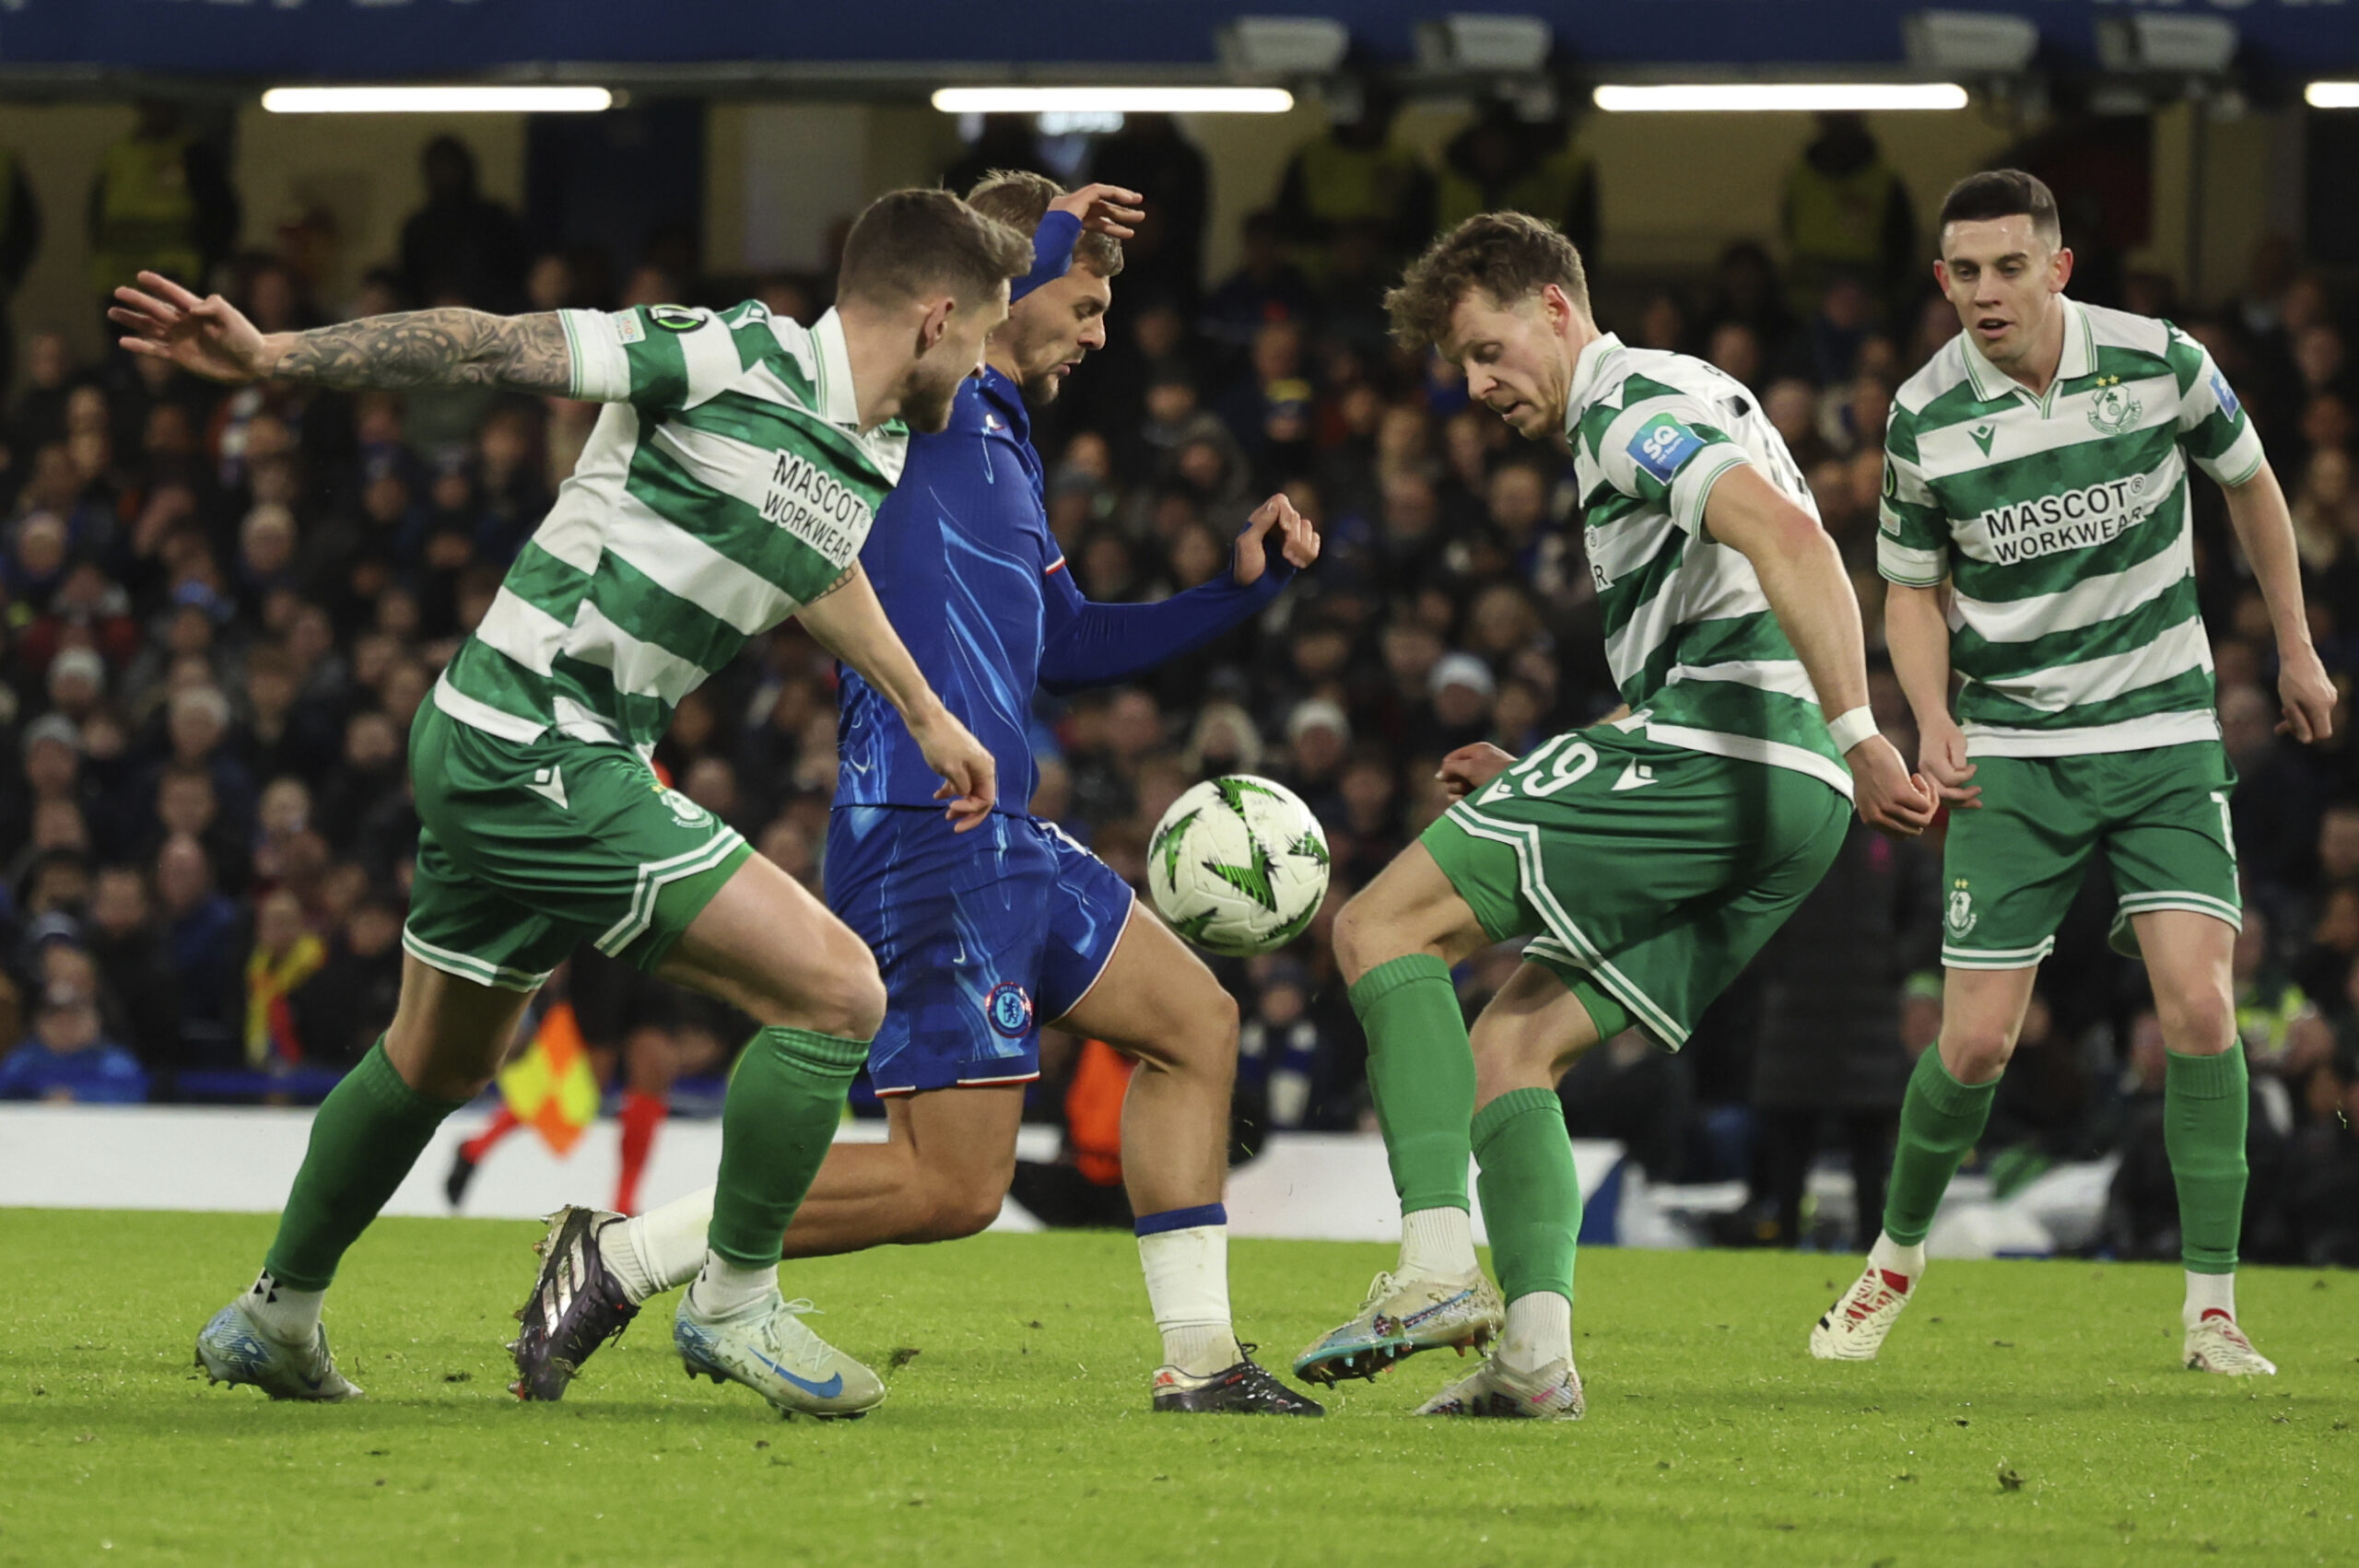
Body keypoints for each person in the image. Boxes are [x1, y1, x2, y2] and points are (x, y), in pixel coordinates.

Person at [111, 185, 1029, 1417]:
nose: (982, 369)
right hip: (539, 737)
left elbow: (816, 557)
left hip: (527, 741)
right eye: (981, 339)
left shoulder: (869, 442)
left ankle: (276, 1315)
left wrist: (923, 708)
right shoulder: (723, 350)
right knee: (835, 989)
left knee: (438, 1056)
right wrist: (279, 355)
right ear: (936, 317)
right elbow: (495, 340)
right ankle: (730, 1303)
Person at [509, 173, 1326, 1416]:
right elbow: (963, 293)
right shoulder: (919, 402)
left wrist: (1239, 591)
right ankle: (623, 1256)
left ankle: (1201, 1361)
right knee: (952, 1189)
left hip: (1009, 830)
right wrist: (1053, 215)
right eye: (1086, 297)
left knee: (1197, 1026)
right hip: (922, 825)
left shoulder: (999, 429)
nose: (1099, 329)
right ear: (994, 291)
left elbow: (1069, 639)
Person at [1288, 211, 1934, 1420]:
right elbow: (1728, 591)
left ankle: (1432, 1267)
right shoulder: (1680, 395)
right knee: (1509, 1051)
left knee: (1379, 929)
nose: (1477, 387)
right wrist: (1563, 766)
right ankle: (1534, 1358)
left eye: (1487, 351)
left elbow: (1793, 539)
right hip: (1779, 799)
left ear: (1553, 306)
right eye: (1461, 369)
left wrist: (1864, 729)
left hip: (1729, 751)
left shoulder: (1627, 406)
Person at [1816, 170, 2336, 1377]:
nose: (1985, 292)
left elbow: (2253, 484)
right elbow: (1907, 586)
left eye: (2008, 267)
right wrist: (1932, 716)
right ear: (1941, 279)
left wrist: (2299, 646)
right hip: (2014, 754)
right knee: (1975, 1047)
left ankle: (2212, 1310)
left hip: (2159, 734)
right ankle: (1893, 1257)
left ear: (2057, 266)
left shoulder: (2162, 361)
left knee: (2203, 1008)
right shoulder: (1922, 413)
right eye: (1963, 272)